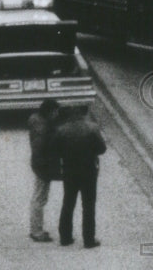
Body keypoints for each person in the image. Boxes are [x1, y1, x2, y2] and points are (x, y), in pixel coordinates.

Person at [55, 111, 107, 248]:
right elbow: (102, 148)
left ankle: (65, 237)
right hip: (89, 170)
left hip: (69, 170)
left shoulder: (61, 130)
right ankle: (89, 240)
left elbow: (55, 150)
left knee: (68, 203)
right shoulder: (92, 128)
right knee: (88, 206)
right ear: (83, 115)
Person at [28, 98, 62, 242]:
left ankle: (36, 228)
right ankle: (36, 231)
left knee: (40, 197)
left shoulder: (36, 121)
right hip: (43, 166)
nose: (57, 114)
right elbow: (44, 148)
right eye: (56, 112)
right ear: (50, 112)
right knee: (40, 198)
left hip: (38, 164)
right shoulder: (45, 129)